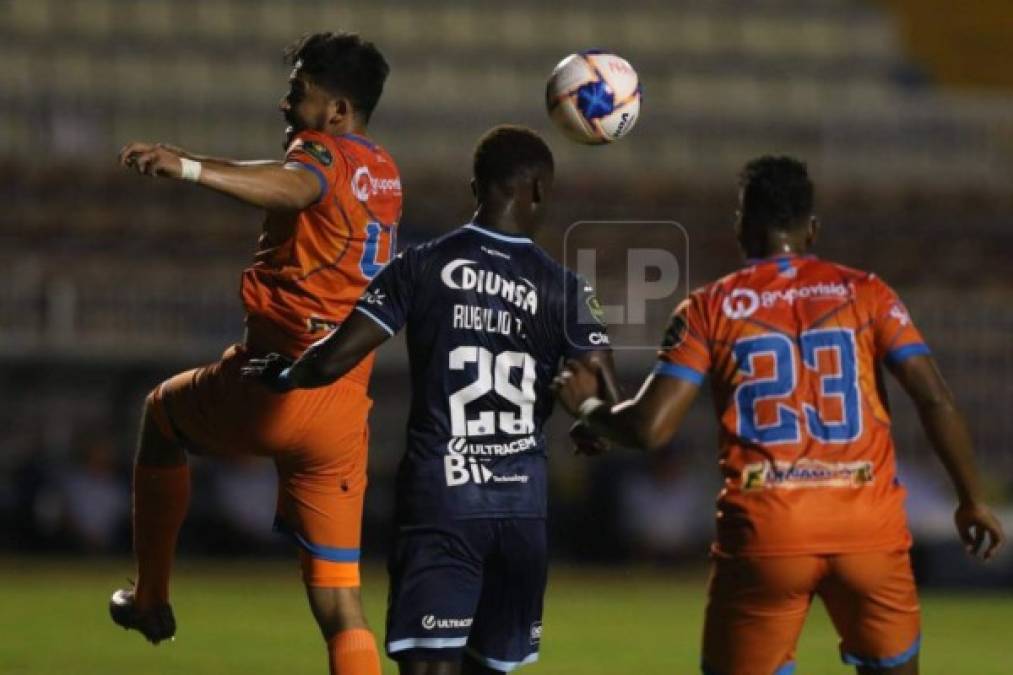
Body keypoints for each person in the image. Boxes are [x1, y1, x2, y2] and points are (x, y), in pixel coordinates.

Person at [552, 156, 1005, 675]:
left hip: (769, 530)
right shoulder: (867, 294)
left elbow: (650, 427)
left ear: (742, 226)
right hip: (866, 527)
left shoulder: (711, 308)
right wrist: (971, 500)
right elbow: (935, 400)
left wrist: (589, 407)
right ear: (811, 230)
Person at [244, 125, 619, 674]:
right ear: (539, 191)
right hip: (522, 509)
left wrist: (283, 373)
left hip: (442, 498)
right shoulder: (570, 289)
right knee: (489, 667)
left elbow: (331, 359)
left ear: (475, 186)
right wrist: (588, 424)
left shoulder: (419, 265)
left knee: (428, 666)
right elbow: (607, 401)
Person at [109, 32, 399, 675]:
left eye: (299, 91)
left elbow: (297, 186)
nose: (285, 102)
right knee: (341, 607)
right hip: (344, 403)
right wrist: (193, 155)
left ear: (338, 111)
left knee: (161, 416)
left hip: (275, 381)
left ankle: (152, 596)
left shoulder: (318, 153)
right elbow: (298, 183)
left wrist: (187, 169)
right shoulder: (382, 171)